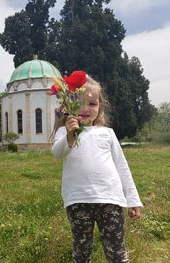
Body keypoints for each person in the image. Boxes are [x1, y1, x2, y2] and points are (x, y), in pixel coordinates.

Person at [52, 74, 143, 263]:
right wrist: (70, 136)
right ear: (69, 105)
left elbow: (122, 167)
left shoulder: (107, 133)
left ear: (100, 108)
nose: (86, 108)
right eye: (80, 103)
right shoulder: (64, 133)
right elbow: (57, 153)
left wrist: (133, 199)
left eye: (92, 104)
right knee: (81, 250)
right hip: (78, 201)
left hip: (109, 199)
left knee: (116, 250)